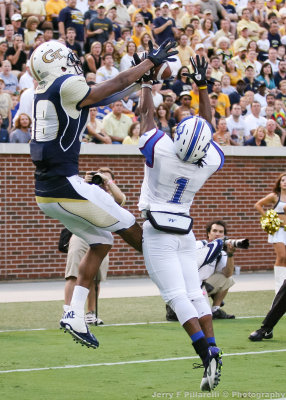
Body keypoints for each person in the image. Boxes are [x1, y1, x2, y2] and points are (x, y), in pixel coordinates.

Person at [29, 39, 178, 349]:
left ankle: (73, 313)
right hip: (63, 184)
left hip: (49, 189)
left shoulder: (48, 90)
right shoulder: (66, 84)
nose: (73, 62)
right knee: (128, 225)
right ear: (56, 62)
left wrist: (143, 82)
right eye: (67, 57)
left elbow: (104, 96)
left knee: (102, 239)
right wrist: (148, 64)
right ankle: (179, 274)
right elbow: (110, 84)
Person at [137, 55, 223, 392]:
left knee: (176, 296)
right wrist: (202, 87)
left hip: (157, 230)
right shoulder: (209, 161)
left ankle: (204, 354)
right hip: (185, 230)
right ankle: (213, 348)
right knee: (196, 293)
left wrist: (146, 79)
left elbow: (144, 115)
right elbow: (209, 125)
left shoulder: (160, 149)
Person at [64, 167, 126, 326]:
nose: (101, 181)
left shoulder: (109, 197)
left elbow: (121, 199)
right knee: (73, 275)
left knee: (95, 279)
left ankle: (90, 314)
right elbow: (74, 196)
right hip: (80, 235)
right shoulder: (86, 190)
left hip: (101, 239)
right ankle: (68, 312)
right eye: (99, 178)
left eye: (105, 179)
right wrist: (85, 182)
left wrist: (108, 182)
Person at [254, 172, 286, 295]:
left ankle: (284, 286)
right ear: (279, 183)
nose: (285, 182)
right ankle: (279, 288)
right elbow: (258, 205)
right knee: (282, 256)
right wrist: (268, 218)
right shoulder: (274, 196)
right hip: (277, 230)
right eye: (283, 180)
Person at [197, 220, 236, 319]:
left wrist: (230, 254)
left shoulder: (222, 252)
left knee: (229, 279)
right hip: (189, 285)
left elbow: (227, 274)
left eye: (221, 232)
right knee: (199, 316)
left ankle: (215, 310)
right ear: (208, 233)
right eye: (214, 231)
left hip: (203, 286)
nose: (217, 234)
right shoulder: (199, 245)